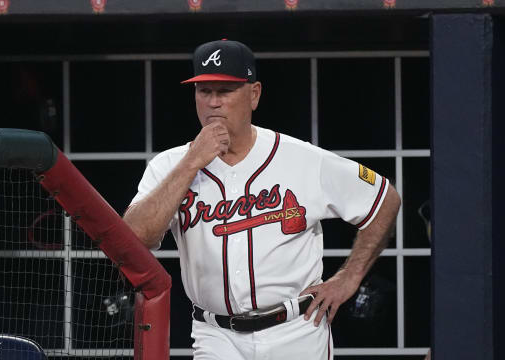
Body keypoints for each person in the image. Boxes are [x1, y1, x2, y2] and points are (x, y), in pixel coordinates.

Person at [123, 39, 401, 359]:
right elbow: (133, 239)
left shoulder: (300, 158)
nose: (213, 102)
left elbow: (384, 199)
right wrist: (191, 163)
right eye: (204, 91)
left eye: (225, 91)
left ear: (253, 95)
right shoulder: (169, 166)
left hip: (295, 330)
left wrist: (348, 278)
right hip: (217, 336)